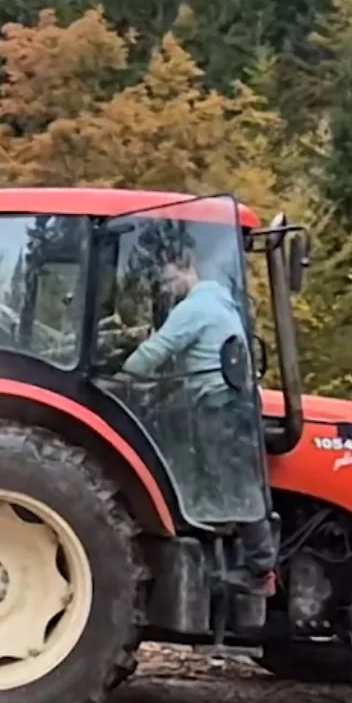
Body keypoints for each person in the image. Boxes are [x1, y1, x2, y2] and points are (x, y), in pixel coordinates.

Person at [114, 242, 277, 594]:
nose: (166, 288)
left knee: (235, 485)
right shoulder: (220, 303)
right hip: (226, 402)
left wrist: (118, 378)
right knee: (221, 479)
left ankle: (260, 569)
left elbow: (156, 352)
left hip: (218, 406)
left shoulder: (196, 307)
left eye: (169, 279)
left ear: (187, 267)